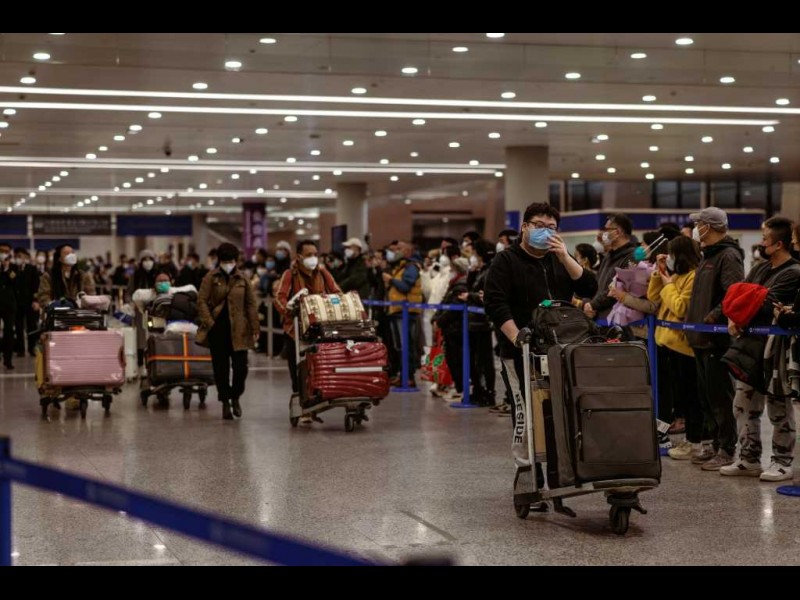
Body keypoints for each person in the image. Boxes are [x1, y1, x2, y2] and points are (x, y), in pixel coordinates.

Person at [485, 203, 598, 467]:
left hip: (561, 347)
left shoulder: (558, 258)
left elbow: (588, 288)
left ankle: (563, 466)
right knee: (525, 410)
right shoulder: (506, 260)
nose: (544, 231)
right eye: (538, 225)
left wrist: (565, 258)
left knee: (563, 406)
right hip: (520, 349)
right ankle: (526, 469)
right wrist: (516, 336)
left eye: (551, 227)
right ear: (524, 227)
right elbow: (495, 303)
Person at [720, 217, 800, 481]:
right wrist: (736, 314)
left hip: (775, 351)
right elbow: (737, 296)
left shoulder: (793, 272)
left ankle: (782, 461)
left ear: (778, 244)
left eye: (765, 238)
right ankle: (749, 457)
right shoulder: (760, 268)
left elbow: (766, 304)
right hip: (749, 349)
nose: (761, 242)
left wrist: (747, 305)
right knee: (742, 405)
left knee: (778, 408)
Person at [684, 207, 744, 471]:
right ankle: (714, 444)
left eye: (699, 223)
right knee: (706, 397)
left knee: (720, 397)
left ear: (708, 226)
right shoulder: (707, 256)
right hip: (700, 338)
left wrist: (713, 317)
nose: (696, 228)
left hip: (715, 339)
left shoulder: (728, 255)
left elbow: (733, 293)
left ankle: (727, 448)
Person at [647, 237, 703, 459]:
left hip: (683, 347)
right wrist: (658, 274)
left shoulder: (693, 277)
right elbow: (653, 297)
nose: (668, 258)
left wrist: (668, 284)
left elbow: (680, 307)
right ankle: (687, 439)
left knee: (690, 397)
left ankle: (694, 441)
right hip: (666, 344)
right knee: (676, 395)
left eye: (671, 254)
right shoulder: (677, 276)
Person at [275, 240, 341, 422]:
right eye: (309, 254)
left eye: (315, 254)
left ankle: (313, 404)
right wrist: (288, 309)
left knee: (316, 368)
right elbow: (279, 297)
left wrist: (331, 303)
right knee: (298, 371)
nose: (313, 258)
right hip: (294, 330)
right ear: (299, 256)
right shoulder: (290, 274)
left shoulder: (323, 273)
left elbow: (337, 292)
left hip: (318, 329)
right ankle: (302, 406)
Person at [197, 243, 259, 421]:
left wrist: (255, 326)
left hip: (240, 330)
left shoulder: (243, 278)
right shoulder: (210, 277)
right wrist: (209, 322)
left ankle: (235, 396)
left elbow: (250, 304)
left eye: (231, 261)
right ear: (219, 260)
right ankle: (225, 401)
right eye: (224, 261)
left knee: (241, 369)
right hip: (218, 329)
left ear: (236, 261)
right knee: (221, 369)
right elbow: (201, 301)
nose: (228, 264)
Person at [383, 241, 423, 388]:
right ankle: (403, 375)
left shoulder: (411, 267)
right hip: (397, 310)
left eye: (399, 249)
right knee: (399, 346)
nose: (395, 251)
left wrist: (391, 280)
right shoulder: (400, 267)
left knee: (407, 345)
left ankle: (409, 377)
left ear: (407, 252)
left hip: (406, 312)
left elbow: (405, 286)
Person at [583, 214, 637, 321]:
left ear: (617, 232)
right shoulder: (609, 256)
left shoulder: (632, 257)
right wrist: (588, 303)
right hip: (599, 317)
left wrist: (593, 305)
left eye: (606, 230)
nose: (603, 233)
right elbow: (597, 284)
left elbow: (618, 289)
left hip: (616, 320)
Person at [432, 258, 471, 402]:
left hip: (456, 328)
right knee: (451, 359)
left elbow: (453, 309)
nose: (450, 272)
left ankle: (461, 389)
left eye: (452, 269)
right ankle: (458, 388)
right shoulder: (453, 284)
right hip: (449, 328)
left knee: (457, 360)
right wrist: (435, 318)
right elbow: (443, 303)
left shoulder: (461, 285)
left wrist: (439, 321)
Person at [466, 239, 497, 407]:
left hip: (482, 322)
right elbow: (471, 288)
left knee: (485, 359)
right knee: (475, 359)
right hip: (473, 321)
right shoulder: (480, 270)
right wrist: (471, 273)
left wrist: (469, 296)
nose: (472, 256)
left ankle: (488, 392)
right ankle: (478, 390)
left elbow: (485, 296)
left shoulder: (490, 271)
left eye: (474, 253)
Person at [127, 250, 160, 369]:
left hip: (155, 309)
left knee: (155, 334)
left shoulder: (158, 274)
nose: (147, 262)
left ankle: (155, 359)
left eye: (150, 259)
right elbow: (129, 291)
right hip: (140, 309)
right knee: (141, 336)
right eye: (145, 259)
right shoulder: (135, 275)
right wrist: (131, 303)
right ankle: (140, 362)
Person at [13, 248, 40, 357]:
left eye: (20, 256)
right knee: (18, 327)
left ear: (25, 257)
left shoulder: (32, 269)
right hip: (17, 302)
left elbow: (36, 285)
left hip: (29, 302)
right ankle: (20, 350)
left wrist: (35, 300)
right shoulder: (13, 269)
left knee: (31, 326)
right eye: (16, 256)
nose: (18, 258)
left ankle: (31, 348)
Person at [0, 244, 19, 370]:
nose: (3, 253)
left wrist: (6, 268)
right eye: (1, 251)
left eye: (6, 251)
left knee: (9, 332)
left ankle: (8, 360)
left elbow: (15, 281)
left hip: (9, 305)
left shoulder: (13, 267)